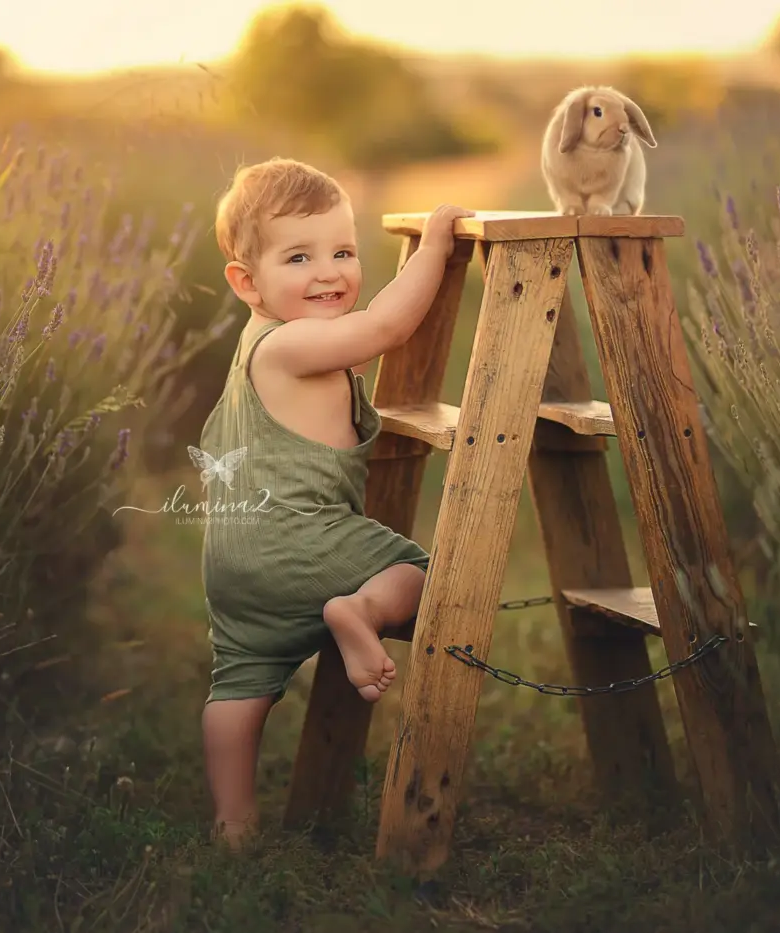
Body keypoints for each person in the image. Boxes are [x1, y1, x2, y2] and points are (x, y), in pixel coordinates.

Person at [196, 156, 472, 848]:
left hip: (234, 558)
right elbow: (383, 330)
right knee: (429, 576)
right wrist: (435, 247)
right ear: (245, 281)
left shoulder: (257, 341)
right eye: (299, 257)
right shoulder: (294, 345)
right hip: (302, 540)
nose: (328, 272)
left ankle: (233, 822)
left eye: (343, 252)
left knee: (238, 683)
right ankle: (359, 609)